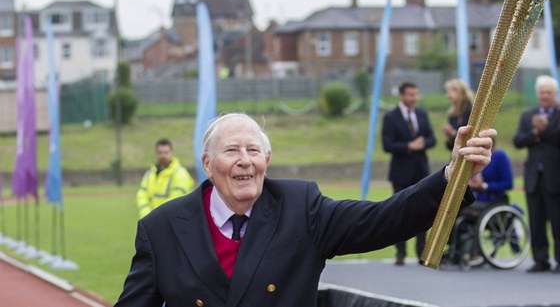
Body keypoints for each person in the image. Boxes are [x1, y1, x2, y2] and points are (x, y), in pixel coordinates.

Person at [116, 113, 495, 307]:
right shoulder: (162, 228)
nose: (245, 161)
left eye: (254, 151)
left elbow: (384, 220)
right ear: (207, 163)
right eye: (232, 151)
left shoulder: (301, 207)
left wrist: (453, 175)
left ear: (267, 159)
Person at [382, 82, 436, 265]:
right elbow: (387, 144)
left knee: (422, 211)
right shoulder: (390, 117)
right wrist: (408, 146)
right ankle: (400, 252)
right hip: (400, 173)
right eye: (411, 95)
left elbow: (431, 138)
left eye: (416, 94)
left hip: (421, 171)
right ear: (402, 96)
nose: (414, 98)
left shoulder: (422, 114)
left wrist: (423, 143)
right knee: (399, 212)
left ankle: (422, 251)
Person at [513, 75, 560, 273]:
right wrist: (534, 133)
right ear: (537, 94)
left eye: (549, 92)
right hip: (533, 177)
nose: (545, 96)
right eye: (542, 92)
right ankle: (540, 260)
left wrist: (545, 129)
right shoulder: (528, 115)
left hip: (555, 177)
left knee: (557, 221)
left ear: (554, 94)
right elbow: (518, 140)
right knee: (537, 220)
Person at [136, 138, 195, 219]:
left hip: (172, 219)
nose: (163, 156)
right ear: (155, 153)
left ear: (172, 153)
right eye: (160, 153)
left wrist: (156, 215)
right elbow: (141, 195)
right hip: (150, 219)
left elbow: (176, 198)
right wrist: (147, 215)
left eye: (166, 153)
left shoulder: (180, 173)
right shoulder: (149, 173)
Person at [442, 78, 474, 151]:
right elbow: (451, 146)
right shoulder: (452, 114)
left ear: (460, 91)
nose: (448, 95)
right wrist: (450, 135)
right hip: (457, 155)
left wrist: (453, 133)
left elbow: (472, 136)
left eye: (450, 91)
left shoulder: (472, 111)